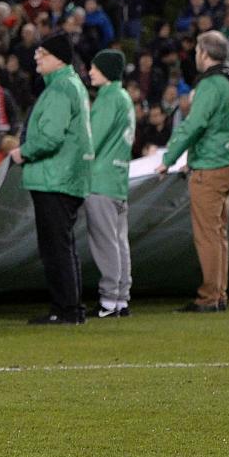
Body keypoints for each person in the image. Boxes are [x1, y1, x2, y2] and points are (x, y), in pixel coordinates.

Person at [8, 33, 93, 326]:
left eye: (42, 53)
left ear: (58, 58)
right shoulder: (72, 86)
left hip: (54, 177)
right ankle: (70, 307)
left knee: (56, 248)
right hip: (65, 176)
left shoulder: (59, 90)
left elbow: (50, 137)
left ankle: (66, 309)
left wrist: (24, 151)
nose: (36, 57)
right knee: (64, 245)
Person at [159, 31, 229, 312]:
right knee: (219, 235)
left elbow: (195, 124)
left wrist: (168, 158)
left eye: (197, 50)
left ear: (205, 53)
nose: (195, 55)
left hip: (210, 167)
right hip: (226, 163)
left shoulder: (211, 85)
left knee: (207, 235)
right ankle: (219, 293)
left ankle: (208, 297)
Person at [77, 48, 136, 319]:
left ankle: (109, 300)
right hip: (119, 179)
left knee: (105, 243)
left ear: (108, 71)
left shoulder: (108, 98)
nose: (90, 72)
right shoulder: (124, 97)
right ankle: (121, 297)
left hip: (100, 180)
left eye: (95, 67)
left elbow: (93, 140)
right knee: (118, 241)